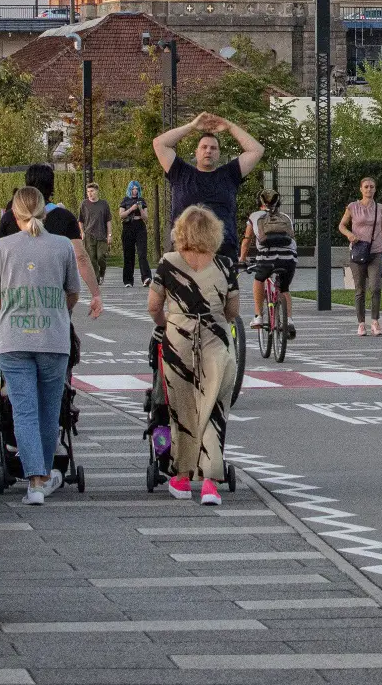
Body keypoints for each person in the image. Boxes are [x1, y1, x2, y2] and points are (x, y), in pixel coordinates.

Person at [0, 186, 83, 505]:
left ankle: (34, 481)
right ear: (45, 212)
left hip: (13, 339)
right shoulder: (61, 246)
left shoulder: (1, 248)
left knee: (23, 410)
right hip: (53, 339)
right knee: (49, 410)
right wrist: (57, 311)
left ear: (13, 214)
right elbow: (73, 292)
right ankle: (43, 474)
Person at [149, 205, 238, 506]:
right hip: (216, 341)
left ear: (180, 232)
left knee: (183, 411)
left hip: (179, 342)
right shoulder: (226, 265)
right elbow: (233, 311)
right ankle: (211, 483)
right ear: (214, 233)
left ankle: (182, 477)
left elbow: (153, 306)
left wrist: (169, 323)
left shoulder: (168, 262)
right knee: (213, 410)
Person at [0, 163, 103, 321]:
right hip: (54, 297)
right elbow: (81, 257)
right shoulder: (64, 217)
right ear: (52, 186)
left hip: (19, 297)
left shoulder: (10, 218)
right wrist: (96, 294)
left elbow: (0, 260)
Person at [153, 111, 265, 259]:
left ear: (219, 153)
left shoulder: (230, 174)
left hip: (223, 252)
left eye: (213, 148)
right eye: (204, 147)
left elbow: (257, 150)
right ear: (196, 152)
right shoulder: (180, 172)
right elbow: (159, 143)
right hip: (185, 250)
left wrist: (229, 126)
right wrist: (192, 126)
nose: (208, 151)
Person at [337, 177, 382, 337]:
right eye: (366, 187)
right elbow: (341, 225)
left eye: (372, 187)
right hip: (358, 251)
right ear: (361, 189)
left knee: (376, 288)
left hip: (375, 251)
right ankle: (361, 323)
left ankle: (375, 322)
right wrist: (349, 234)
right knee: (360, 290)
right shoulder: (352, 207)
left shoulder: (381, 208)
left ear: (375, 189)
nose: (369, 189)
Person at [240, 189, 297, 336]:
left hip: (266, 257)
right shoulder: (286, 217)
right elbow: (292, 239)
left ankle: (258, 316)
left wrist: (241, 260)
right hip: (288, 259)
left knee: (259, 278)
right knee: (284, 289)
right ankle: (289, 320)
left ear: (259, 203)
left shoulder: (255, 216)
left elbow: (247, 241)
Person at [119, 179, 152, 286]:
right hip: (128, 226)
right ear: (130, 189)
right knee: (128, 254)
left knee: (142, 253)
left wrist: (141, 209)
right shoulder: (125, 200)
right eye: (133, 189)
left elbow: (146, 218)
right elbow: (121, 215)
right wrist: (131, 209)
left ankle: (146, 277)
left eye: (136, 189)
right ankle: (128, 280)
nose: (135, 191)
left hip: (140, 227)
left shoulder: (142, 200)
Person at [78, 182, 112, 283]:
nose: (90, 193)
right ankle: (96, 279)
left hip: (101, 235)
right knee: (92, 258)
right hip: (89, 235)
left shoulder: (104, 204)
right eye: (88, 191)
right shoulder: (84, 204)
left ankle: (102, 273)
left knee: (101, 256)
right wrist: (82, 232)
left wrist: (109, 235)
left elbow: (108, 220)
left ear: (97, 191)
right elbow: (80, 220)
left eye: (92, 191)